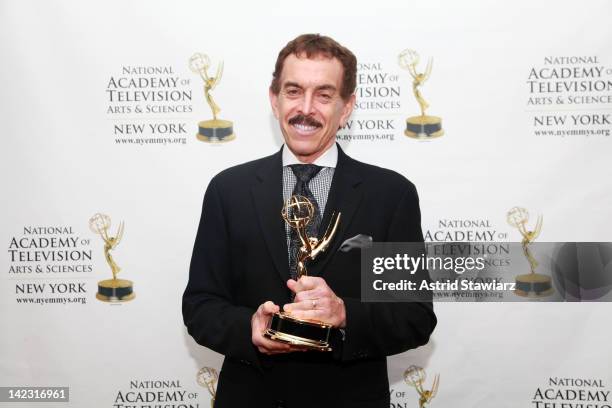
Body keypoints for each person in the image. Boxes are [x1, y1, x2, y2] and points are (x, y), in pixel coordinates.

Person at [183, 33, 436, 408]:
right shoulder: (228, 190)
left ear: (346, 106)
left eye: (324, 94)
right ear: (274, 99)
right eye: (293, 91)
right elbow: (200, 305)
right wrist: (249, 329)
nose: (306, 108)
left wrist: (344, 313)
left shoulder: (390, 195)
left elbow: (414, 316)